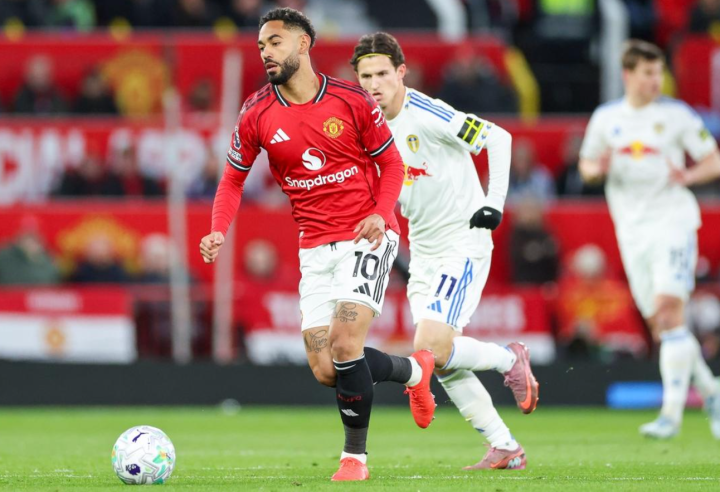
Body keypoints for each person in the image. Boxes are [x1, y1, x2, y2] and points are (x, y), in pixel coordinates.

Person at [198, 8, 435, 481]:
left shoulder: (351, 100)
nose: (266, 53)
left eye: (276, 42)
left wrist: (380, 212)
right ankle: (414, 371)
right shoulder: (256, 112)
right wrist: (218, 227)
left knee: (346, 343)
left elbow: (392, 164)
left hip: (367, 235)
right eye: (261, 46)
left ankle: (354, 459)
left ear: (303, 44)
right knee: (328, 369)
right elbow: (232, 179)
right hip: (314, 246)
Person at [351, 32, 539, 470]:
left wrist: (494, 203)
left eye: (382, 74)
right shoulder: (366, 127)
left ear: (401, 72)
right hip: (424, 248)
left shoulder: (427, 112)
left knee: (430, 347)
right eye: (366, 77)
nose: (374, 84)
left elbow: (499, 138)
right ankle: (504, 446)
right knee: (441, 358)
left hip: (463, 239)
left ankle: (509, 359)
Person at [579, 39, 720, 439]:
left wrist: (688, 176)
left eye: (658, 72)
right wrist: (597, 169)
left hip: (673, 221)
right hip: (632, 230)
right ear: (628, 75)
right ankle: (712, 392)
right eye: (647, 73)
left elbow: (713, 159)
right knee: (662, 325)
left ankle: (671, 416)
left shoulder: (676, 116)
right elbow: (586, 165)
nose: (655, 80)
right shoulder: (607, 118)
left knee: (669, 311)